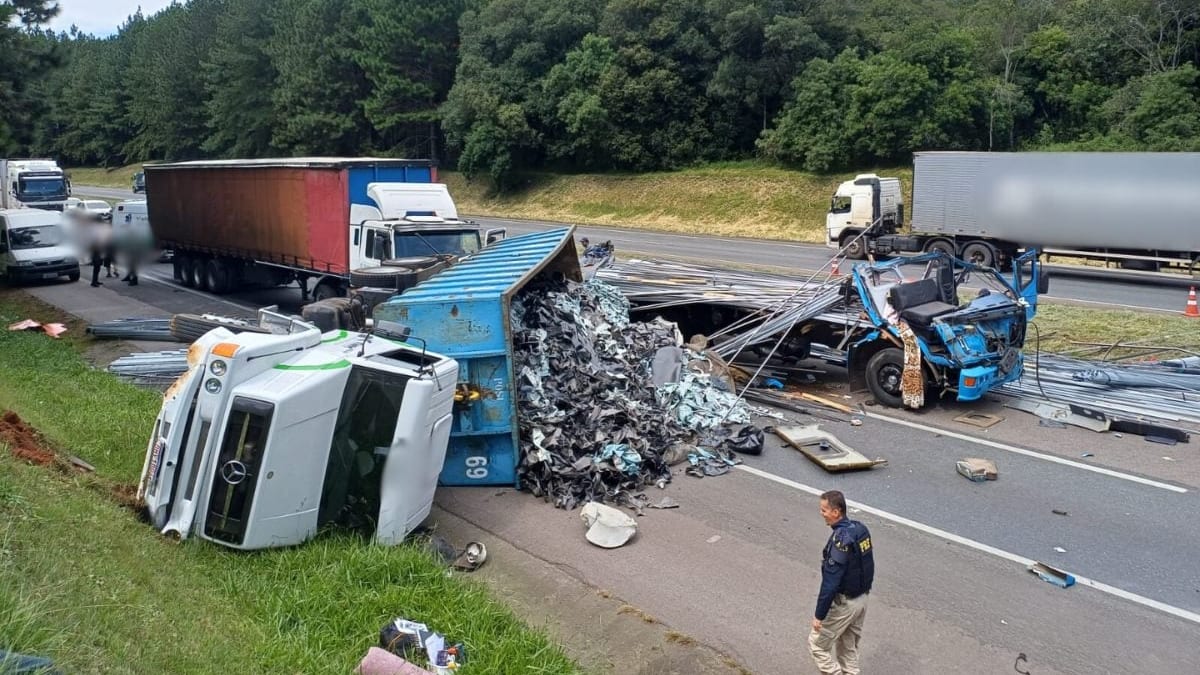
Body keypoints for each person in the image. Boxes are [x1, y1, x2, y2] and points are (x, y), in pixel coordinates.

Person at [809, 490, 873, 675]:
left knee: (817, 645)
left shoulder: (841, 540)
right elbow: (868, 565)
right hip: (862, 600)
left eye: (824, 510)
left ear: (836, 512)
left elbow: (830, 583)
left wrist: (819, 615)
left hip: (845, 603)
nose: (822, 514)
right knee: (848, 647)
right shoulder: (861, 529)